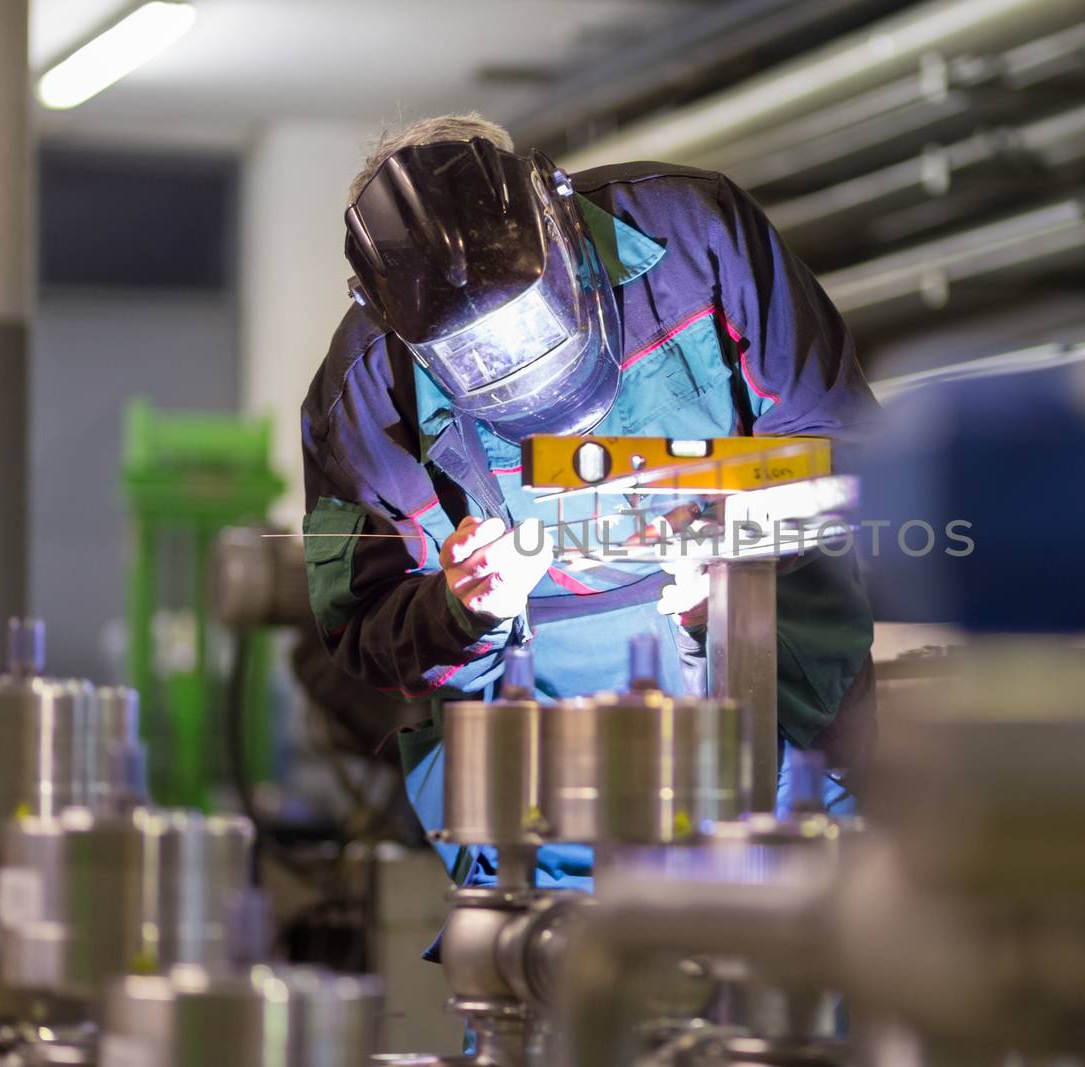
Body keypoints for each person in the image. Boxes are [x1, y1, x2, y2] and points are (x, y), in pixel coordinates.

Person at [300, 112, 876, 894]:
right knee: (551, 994)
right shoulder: (362, 401)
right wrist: (460, 608)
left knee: (805, 984)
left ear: (553, 216)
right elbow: (362, 627)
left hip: (784, 726)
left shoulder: (693, 236)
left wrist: (745, 542)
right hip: (546, 810)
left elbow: (843, 450)